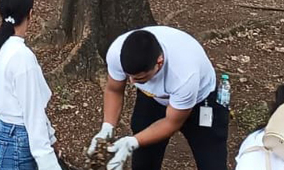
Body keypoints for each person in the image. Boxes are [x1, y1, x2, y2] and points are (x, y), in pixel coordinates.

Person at [88, 26, 228, 170]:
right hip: (153, 97)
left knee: (211, 163)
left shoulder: (183, 76)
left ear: (159, 63)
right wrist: (108, 126)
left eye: (139, 78)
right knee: (144, 159)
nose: (132, 82)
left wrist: (132, 142)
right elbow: (114, 90)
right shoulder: (117, 52)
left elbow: (171, 123)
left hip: (201, 101)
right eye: (128, 76)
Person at [0, 0, 62, 170]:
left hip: (1, 133)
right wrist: (49, 162)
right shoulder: (23, 58)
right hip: (16, 142)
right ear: (30, 14)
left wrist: (52, 138)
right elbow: (33, 115)